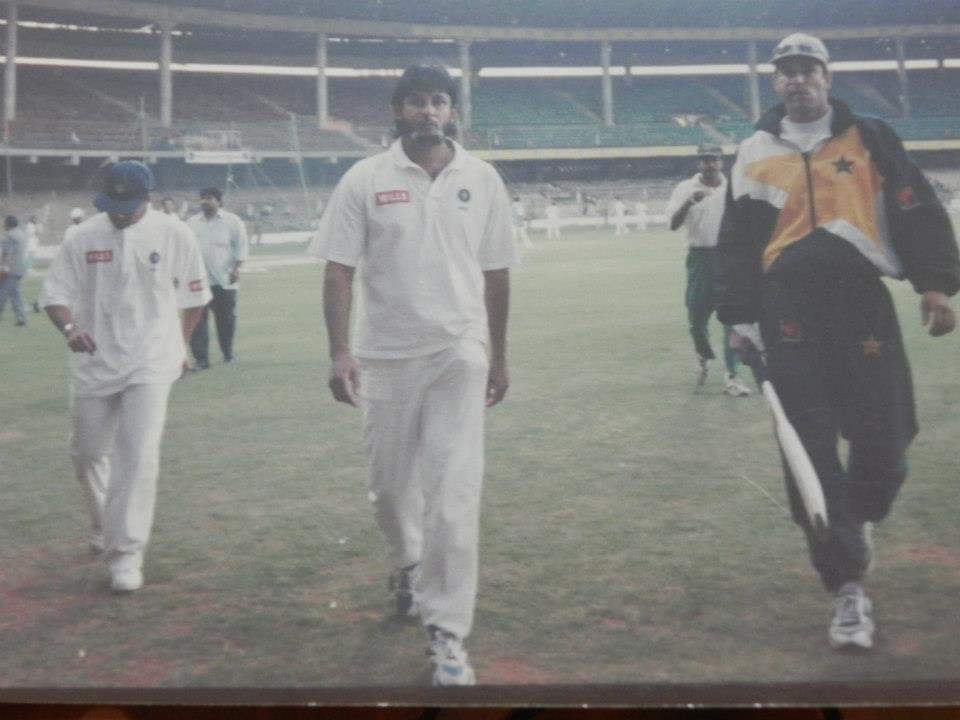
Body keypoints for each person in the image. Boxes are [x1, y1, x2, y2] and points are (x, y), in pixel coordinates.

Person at [717, 33, 960, 651]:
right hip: (787, 316)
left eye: (808, 70)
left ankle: (856, 520)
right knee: (808, 450)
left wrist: (935, 284)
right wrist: (739, 319)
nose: (797, 80)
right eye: (786, 72)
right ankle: (847, 584)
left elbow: (913, 205)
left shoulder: (871, 137)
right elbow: (737, 241)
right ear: (775, 82)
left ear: (827, 77)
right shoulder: (751, 151)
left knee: (887, 444)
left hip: (861, 306)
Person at [311, 62, 517, 686]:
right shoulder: (364, 178)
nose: (429, 111)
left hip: (459, 350)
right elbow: (338, 270)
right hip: (385, 356)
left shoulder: (481, 178)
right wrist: (339, 352)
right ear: (398, 110)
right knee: (390, 488)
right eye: (417, 101)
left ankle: (447, 632)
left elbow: (497, 271)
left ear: (452, 111)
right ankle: (407, 563)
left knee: (453, 494)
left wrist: (499, 354)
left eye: (439, 101)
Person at [39, 161, 210, 593]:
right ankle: (104, 525)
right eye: (110, 205)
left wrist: (180, 346)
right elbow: (54, 296)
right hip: (94, 360)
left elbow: (194, 297)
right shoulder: (82, 236)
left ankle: (126, 555)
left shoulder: (175, 233)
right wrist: (69, 329)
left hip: (151, 358)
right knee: (87, 453)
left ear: (147, 199)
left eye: (126, 206)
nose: (117, 214)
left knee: (137, 452)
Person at [666, 142, 751, 397]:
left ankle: (732, 376)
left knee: (732, 318)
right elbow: (673, 224)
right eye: (705, 160)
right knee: (696, 318)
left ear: (721, 162)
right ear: (698, 163)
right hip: (699, 258)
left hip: (728, 257)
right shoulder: (685, 188)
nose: (710, 164)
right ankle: (703, 355)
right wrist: (689, 202)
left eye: (714, 159)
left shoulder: (734, 186)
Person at [187, 187, 249, 369]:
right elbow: (186, 249)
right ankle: (201, 359)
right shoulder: (192, 223)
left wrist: (236, 269)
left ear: (219, 202)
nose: (205, 201)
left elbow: (241, 246)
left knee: (226, 320)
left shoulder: (232, 221)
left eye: (209, 198)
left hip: (224, 280)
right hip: (199, 280)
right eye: (202, 198)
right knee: (197, 322)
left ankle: (228, 353)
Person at [0, 215, 29, 326]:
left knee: (2, 293)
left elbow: (7, 253)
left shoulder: (9, 236)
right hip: (20, 268)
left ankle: (21, 318)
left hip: (10, 270)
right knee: (15, 294)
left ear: (8, 224)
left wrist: (3, 267)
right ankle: (21, 318)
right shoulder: (21, 234)